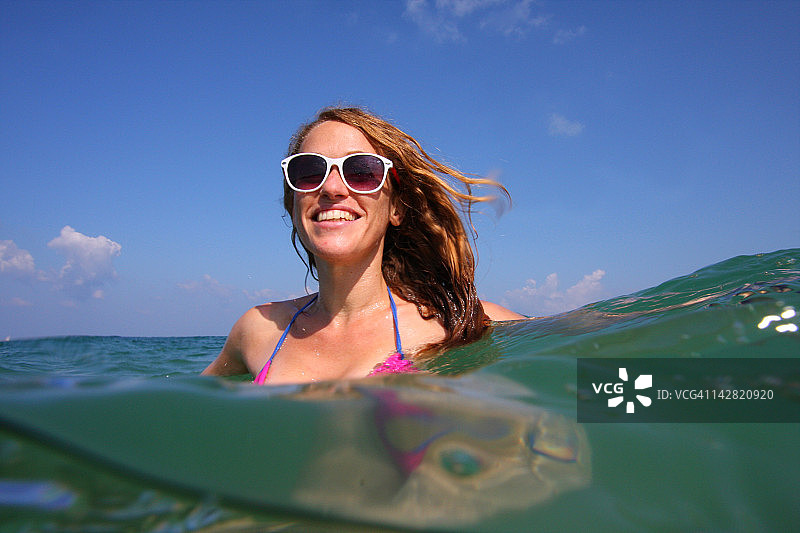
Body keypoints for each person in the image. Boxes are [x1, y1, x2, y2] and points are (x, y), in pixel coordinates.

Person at [202, 107, 524, 385]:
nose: (331, 187)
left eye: (361, 171)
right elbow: (179, 416)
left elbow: (575, 356)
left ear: (396, 208)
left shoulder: (458, 322)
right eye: (309, 171)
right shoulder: (257, 330)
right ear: (293, 203)